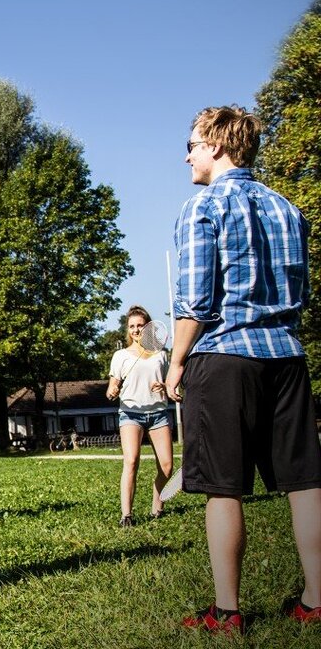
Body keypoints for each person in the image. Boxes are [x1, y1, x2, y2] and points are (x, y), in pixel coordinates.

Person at [166, 105, 321, 633]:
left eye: (191, 144)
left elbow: (195, 304)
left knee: (223, 489)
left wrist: (176, 362)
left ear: (215, 145)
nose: (186, 154)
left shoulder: (202, 207)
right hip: (287, 356)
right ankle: (315, 598)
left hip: (226, 355)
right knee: (305, 483)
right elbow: (299, 292)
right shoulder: (287, 208)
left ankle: (227, 612)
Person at [106, 305, 174, 527]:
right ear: (128, 329)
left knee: (166, 466)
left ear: (148, 328)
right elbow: (112, 387)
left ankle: (158, 506)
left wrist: (164, 386)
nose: (136, 330)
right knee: (132, 461)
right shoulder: (121, 356)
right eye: (132, 326)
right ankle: (127, 515)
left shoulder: (162, 355)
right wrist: (112, 391)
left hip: (158, 413)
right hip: (130, 414)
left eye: (140, 325)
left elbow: (173, 387)